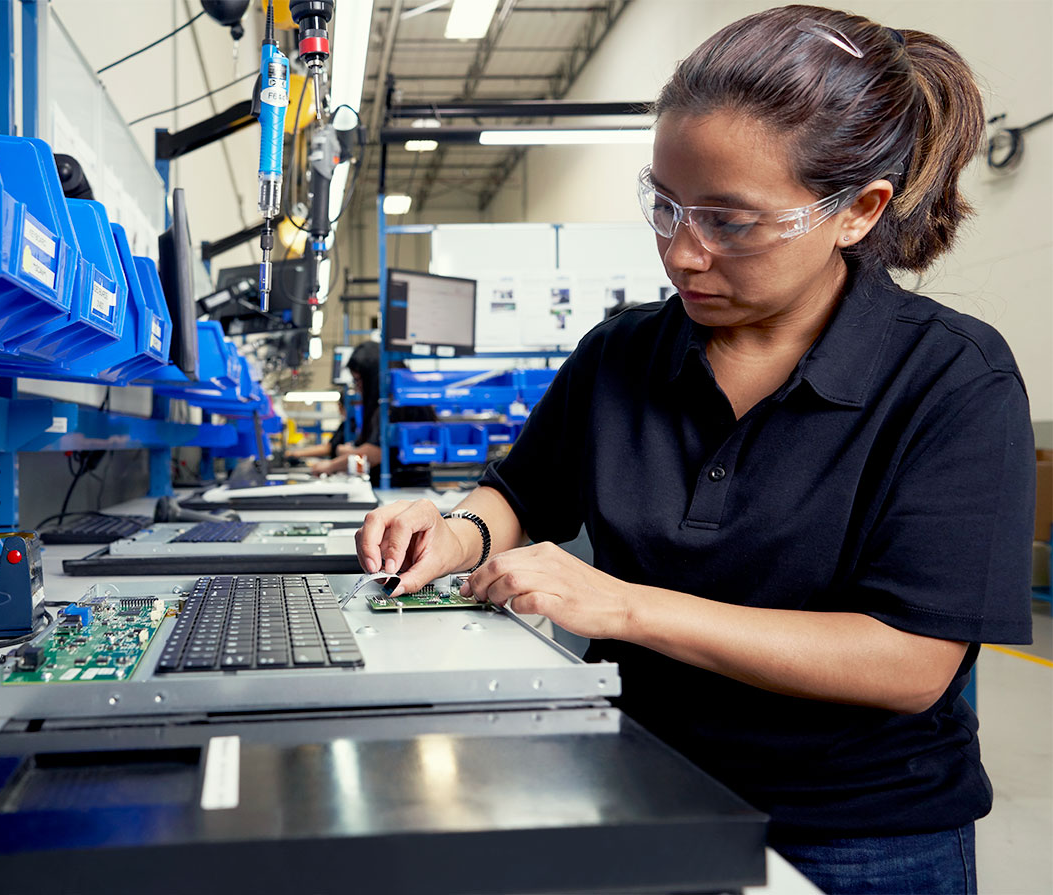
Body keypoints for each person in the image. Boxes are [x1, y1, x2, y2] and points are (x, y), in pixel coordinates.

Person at [354, 7, 1034, 894]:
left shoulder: (951, 378)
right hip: (639, 788)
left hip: (857, 834)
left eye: (730, 221)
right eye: (665, 205)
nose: (682, 252)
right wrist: (453, 532)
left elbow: (909, 663)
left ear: (857, 212)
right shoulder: (623, 353)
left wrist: (626, 607)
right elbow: (520, 494)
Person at [309, 342, 436, 487]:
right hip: (401, 487)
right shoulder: (399, 398)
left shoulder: (397, 402)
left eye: (358, 380)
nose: (358, 387)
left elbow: (374, 453)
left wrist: (330, 465)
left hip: (403, 487)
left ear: (372, 375)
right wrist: (353, 452)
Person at [285, 387, 349, 462]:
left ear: (340, 406)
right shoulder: (346, 425)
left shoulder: (349, 426)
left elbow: (329, 448)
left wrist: (296, 453)